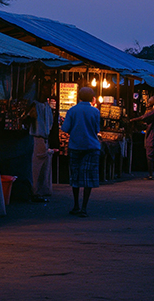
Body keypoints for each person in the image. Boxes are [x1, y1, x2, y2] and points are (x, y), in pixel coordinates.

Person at [61, 86, 101, 217]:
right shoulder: (95, 112)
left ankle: (76, 205)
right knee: (88, 178)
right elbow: (96, 130)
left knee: (75, 177)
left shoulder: (72, 111)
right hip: (91, 147)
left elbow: (65, 128)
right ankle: (84, 207)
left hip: (76, 146)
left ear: (79, 96)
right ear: (92, 98)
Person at [26, 91, 54, 202]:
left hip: (44, 139)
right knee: (36, 168)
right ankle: (35, 191)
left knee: (43, 167)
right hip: (37, 138)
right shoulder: (36, 106)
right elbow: (29, 119)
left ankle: (40, 190)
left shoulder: (46, 107)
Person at [130, 95, 154, 180]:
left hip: (152, 135)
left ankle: (151, 174)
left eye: (149, 102)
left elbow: (144, 117)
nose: (147, 104)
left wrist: (132, 120)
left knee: (150, 156)